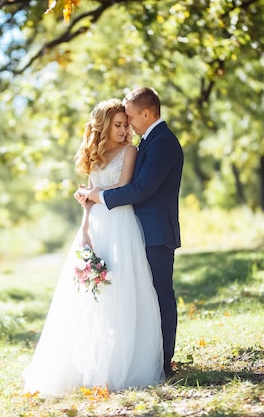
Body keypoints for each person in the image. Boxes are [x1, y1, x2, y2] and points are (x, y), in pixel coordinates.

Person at [22, 99, 164, 395]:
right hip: (96, 224)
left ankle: (120, 365)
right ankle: (88, 365)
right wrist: (85, 228)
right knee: (90, 294)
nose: (125, 130)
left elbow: (123, 188)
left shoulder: (131, 151)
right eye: (118, 125)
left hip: (120, 222)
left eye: (126, 124)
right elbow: (88, 201)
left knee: (120, 289)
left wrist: (91, 192)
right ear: (103, 126)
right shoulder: (95, 155)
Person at [78, 87, 184, 377]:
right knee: (140, 298)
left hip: (156, 233)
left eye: (132, 118)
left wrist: (96, 194)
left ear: (146, 114)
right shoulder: (150, 141)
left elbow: (140, 189)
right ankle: (147, 357)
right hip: (137, 232)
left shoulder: (163, 143)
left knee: (160, 296)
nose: (129, 124)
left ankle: (163, 362)